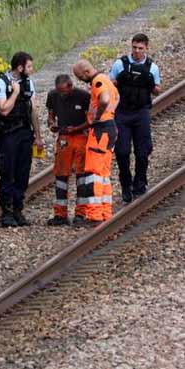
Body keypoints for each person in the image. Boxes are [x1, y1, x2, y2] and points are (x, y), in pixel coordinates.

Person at [0, 52, 44, 227]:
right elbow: (4, 110)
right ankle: (6, 212)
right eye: (29, 66)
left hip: (24, 132)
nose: (31, 69)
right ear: (20, 68)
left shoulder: (28, 83)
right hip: (8, 134)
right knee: (8, 172)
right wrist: (15, 93)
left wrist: (38, 136)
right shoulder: (2, 83)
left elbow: (33, 110)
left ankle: (18, 209)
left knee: (23, 172)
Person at [109, 33, 161, 203]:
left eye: (140, 48)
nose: (137, 51)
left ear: (146, 48)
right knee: (122, 152)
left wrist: (150, 82)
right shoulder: (120, 64)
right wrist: (119, 80)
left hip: (141, 113)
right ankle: (125, 185)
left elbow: (157, 90)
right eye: (134, 47)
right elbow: (110, 86)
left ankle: (140, 183)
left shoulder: (152, 67)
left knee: (142, 152)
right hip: (122, 113)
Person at [73, 59, 119, 224]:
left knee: (94, 173)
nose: (80, 81)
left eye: (80, 77)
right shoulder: (107, 79)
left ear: (86, 72)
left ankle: (94, 214)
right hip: (110, 128)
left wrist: (97, 116)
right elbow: (116, 99)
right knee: (104, 174)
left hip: (101, 130)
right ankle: (105, 211)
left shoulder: (98, 81)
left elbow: (105, 99)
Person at [45, 75, 91, 226]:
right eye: (60, 92)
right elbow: (50, 114)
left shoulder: (84, 96)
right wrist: (52, 123)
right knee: (60, 175)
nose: (62, 95)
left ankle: (81, 213)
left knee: (82, 175)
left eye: (64, 91)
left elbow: (91, 119)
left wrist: (76, 128)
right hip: (64, 137)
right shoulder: (53, 95)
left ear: (71, 86)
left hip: (80, 137)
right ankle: (60, 214)